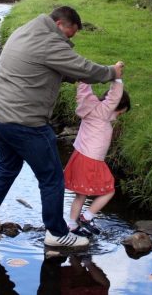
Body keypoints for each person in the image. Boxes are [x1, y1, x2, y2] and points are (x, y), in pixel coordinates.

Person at [0, 5, 124, 248]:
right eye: (70, 34)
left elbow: (49, 67)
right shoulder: (49, 41)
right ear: (60, 25)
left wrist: (72, 74)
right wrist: (111, 72)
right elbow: (81, 67)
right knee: (51, 178)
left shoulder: (25, 31)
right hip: (25, 122)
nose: (70, 39)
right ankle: (57, 233)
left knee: (6, 167)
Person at [64, 78, 131, 237]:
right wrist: (117, 77)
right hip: (91, 159)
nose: (119, 116)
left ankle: (72, 225)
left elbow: (84, 92)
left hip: (80, 155)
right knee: (109, 190)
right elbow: (114, 97)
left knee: (81, 195)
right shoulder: (103, 111)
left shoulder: (89, 107)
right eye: (121, 112)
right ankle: (87, 217)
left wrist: (84, 78)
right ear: (115, 106)